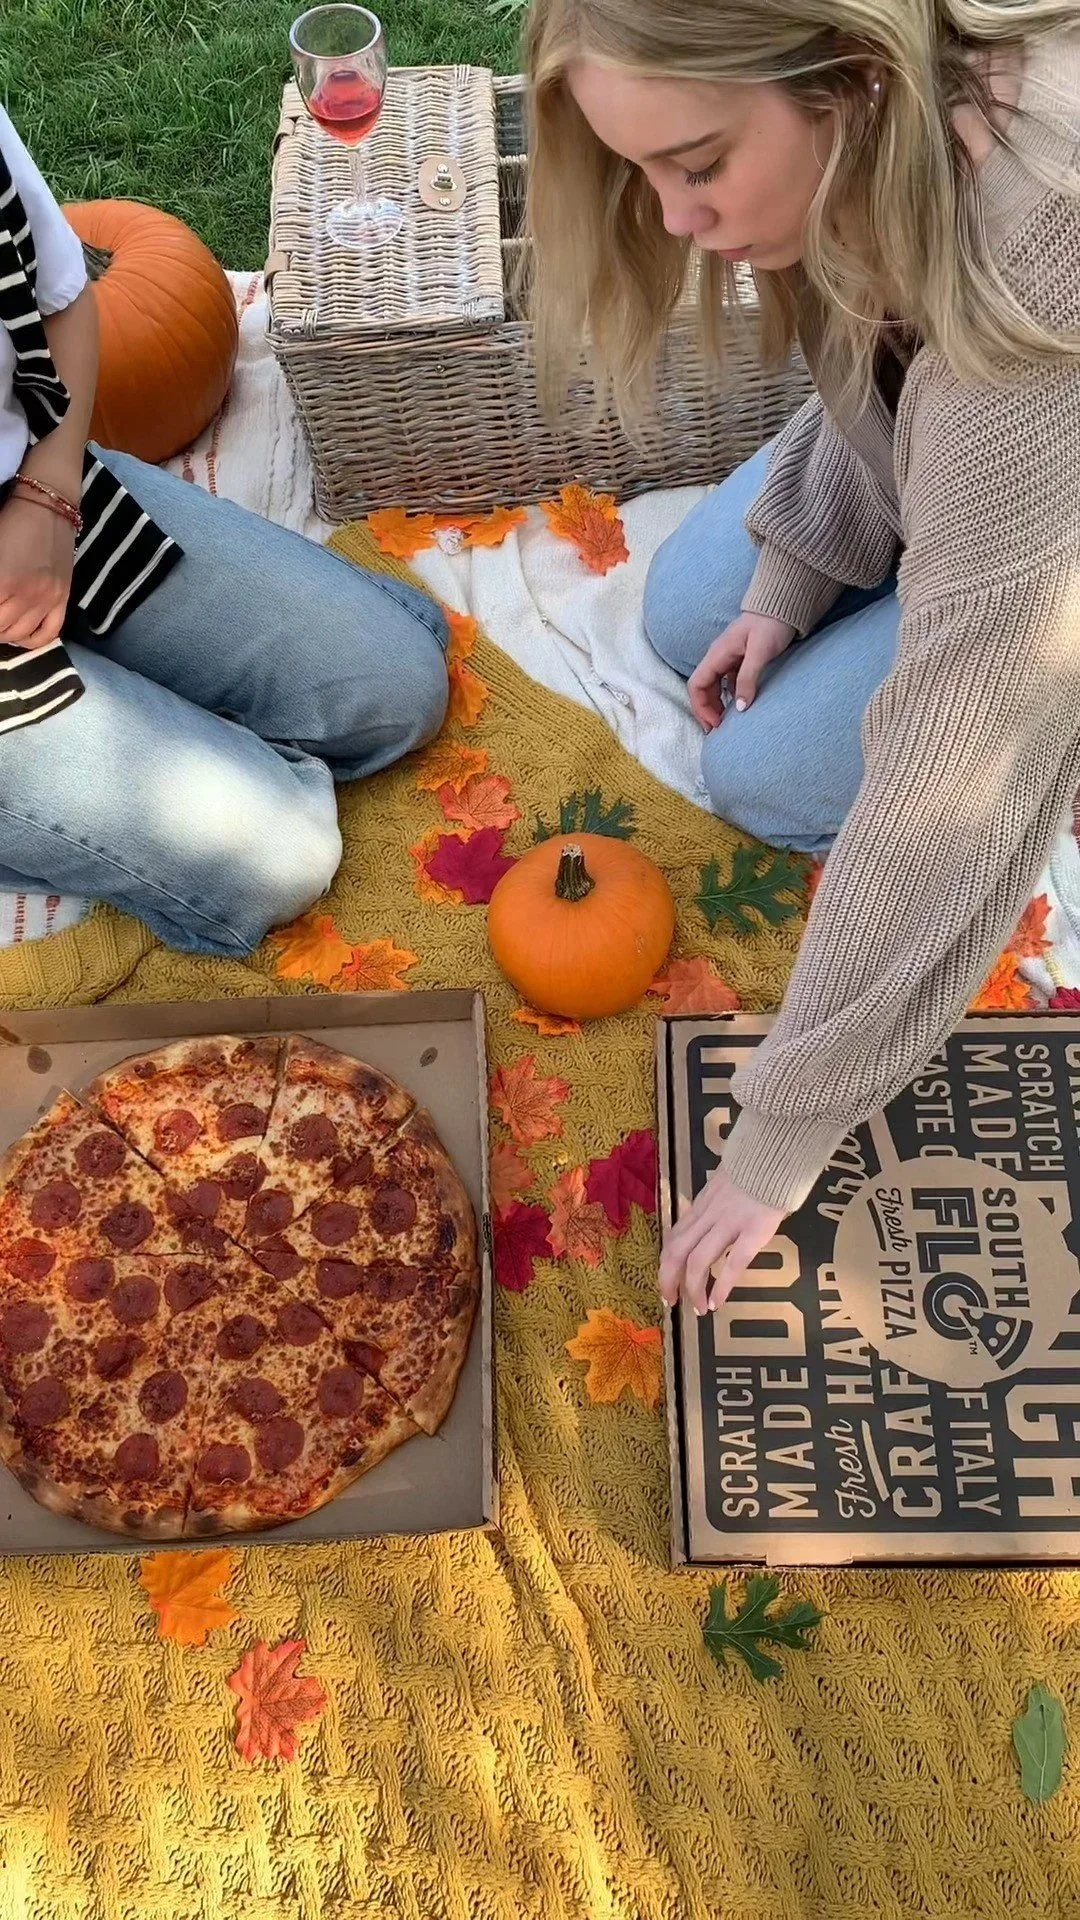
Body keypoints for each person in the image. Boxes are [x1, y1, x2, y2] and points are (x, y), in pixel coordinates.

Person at [525, 1, 1080, 1310]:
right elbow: (877, 339)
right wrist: (797, 571)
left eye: (700, 166)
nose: (669, 222)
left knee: (768, 774)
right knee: (688, 607)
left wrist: (781, 1140)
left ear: (845, 82)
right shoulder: (892, 115)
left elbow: (959, 774)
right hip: (969, 450)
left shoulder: (1034, 299)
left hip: (1040, 493)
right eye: (640, 172)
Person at [0, 104, 449, 956]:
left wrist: (49, 497)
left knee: (394, 690)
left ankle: (143, 726)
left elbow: (60, 304)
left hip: (28, 492)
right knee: (281, 857)